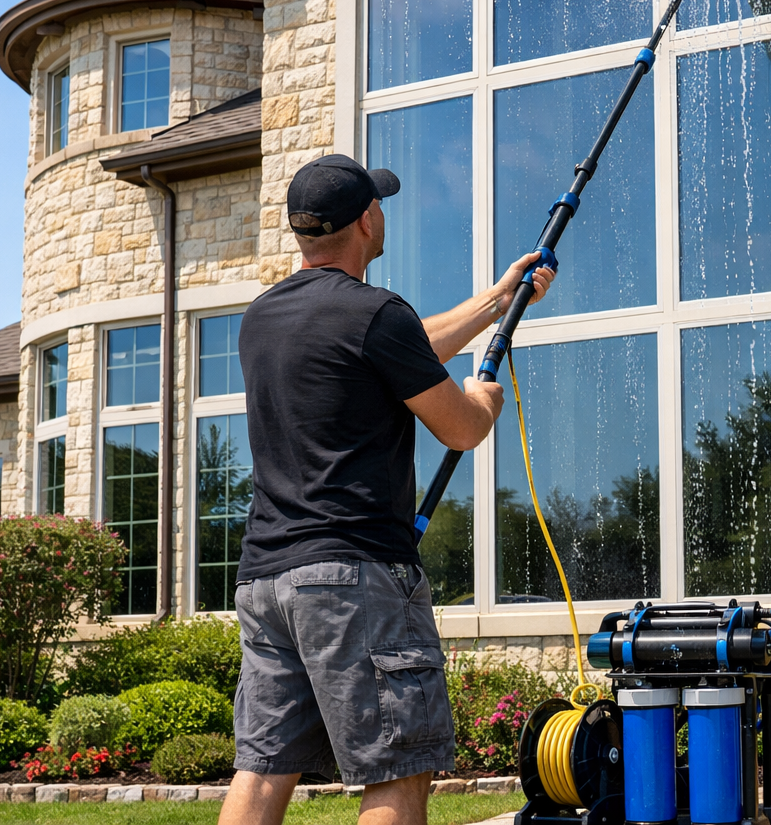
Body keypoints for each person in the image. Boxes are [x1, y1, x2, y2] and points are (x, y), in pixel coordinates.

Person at [219, 154, 555, 825]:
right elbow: (458, 428)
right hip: (354, 578)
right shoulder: (375, 313)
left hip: (265, 583)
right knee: (399, 771)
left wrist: (497, 300)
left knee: (261, 771)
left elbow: (394, 350)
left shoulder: (263, 319)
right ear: (369, 220)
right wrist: (484, 398)